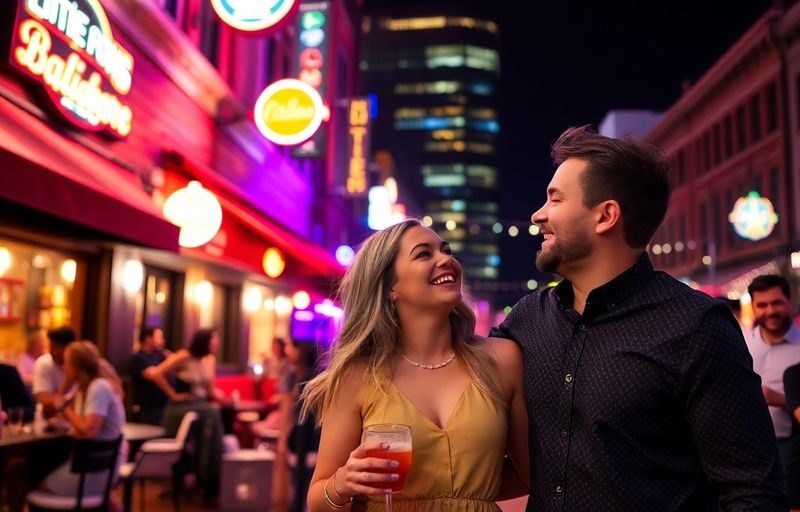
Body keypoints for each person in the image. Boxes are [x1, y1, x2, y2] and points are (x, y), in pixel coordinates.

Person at [491, 125, 786, 510]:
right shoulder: (528, 319)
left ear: (606, 216)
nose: (537, 215)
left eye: (555, 199)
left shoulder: (696, 326)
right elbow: (449, 365)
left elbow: (753, 492)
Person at [300, 219, 529, 512]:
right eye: (424, 254)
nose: (446, 259)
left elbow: (531, 475)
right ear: (390, 287)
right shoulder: (355, 376)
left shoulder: (503, 359)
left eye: (446, 250)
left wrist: (466, 497)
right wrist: (344, 482)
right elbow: (317, 499)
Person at [39, 341, 126, 498]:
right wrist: (66, 386)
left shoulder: (98, 387)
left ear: (76, 366)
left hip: (96, 468)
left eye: (66, 363)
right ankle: (107, 505)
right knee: (39, 466)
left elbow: (89, 431)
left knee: (30, 478)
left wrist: (64, 407)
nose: (63, 367)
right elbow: (61, 412)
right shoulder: (84, 388)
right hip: (97, 464)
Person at [153, 328, 225, 498]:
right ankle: (208, 475)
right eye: (214, 339)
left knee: (212, 417)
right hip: (181, 408)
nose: (217, 343)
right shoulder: (184, 356)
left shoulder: (210, 360)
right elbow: (156, 373)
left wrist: (228, 399)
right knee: (212, 413)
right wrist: (173, 395)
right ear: (204, 341)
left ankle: (208, 476)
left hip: (201, 408)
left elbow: (211, 391)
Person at [744, 277, 800, 476]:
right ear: (753, 307)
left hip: (790, 448)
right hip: (746, 445)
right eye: (762, 305)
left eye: (777, 303)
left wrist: (783, 400)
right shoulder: (740, 343)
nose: (770, 311)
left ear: (789, 301)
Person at [129, 326, 175, 425]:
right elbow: (155, 375)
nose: (163, 341)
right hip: (150, 411)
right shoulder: (138, 358)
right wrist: (173, 395)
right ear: (148, 339)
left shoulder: (158, 357)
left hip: (164, 407)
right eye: (160, 338)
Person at [32, 326, 77, 418]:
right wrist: (68, 386)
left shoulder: (81, 364)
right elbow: (44, 399)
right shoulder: (44, 363)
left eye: (56, 348)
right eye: (51, 347)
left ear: (70, 348)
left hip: (75, 420)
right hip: (48, 420)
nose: (52, 352)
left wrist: (59, 399)